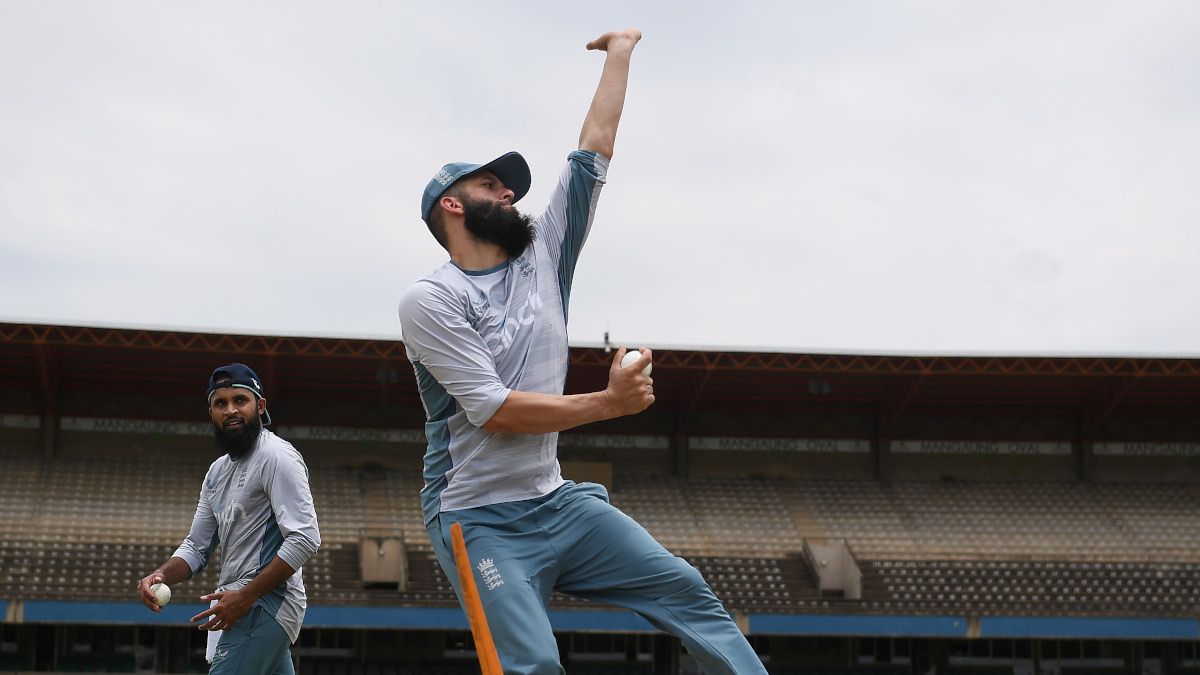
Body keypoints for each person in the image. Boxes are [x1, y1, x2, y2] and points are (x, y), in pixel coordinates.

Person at [399, 30, 767, 675]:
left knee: (688, 591)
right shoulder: (430, 300)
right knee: (531, 665)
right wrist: (609, 402)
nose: (509, 194)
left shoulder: (544, 253)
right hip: (477, 518)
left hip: (559, 501)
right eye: (492, 185)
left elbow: (594, 147)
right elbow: (494, 411)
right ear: (452, 206)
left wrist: (621, 51)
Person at [136, 363, 321, 675]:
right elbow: (197, 547)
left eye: (240, 400)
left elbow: (305, 538)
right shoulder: (216, 472)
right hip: (240, 602)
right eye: (220, 403)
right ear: (212, 413)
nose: (231, 410)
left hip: (264, 603)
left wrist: (246, 596)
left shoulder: (277, 456)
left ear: (260, 406)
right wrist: (160, 575)